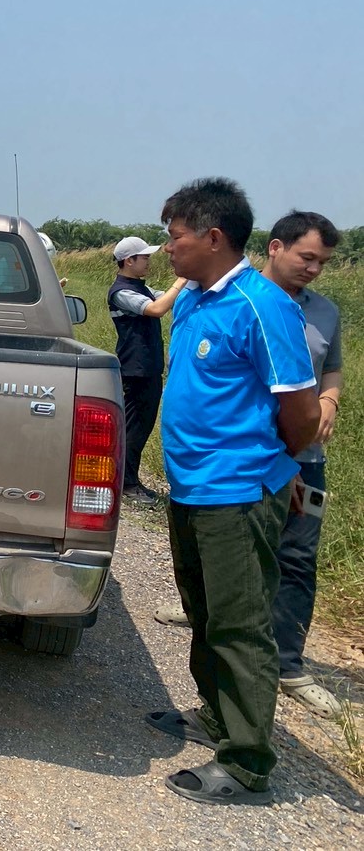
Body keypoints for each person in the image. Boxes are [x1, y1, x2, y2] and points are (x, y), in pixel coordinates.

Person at [144, 177, 318, 806]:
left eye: (176, 236)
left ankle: (246, 762)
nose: (169, 248)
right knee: (204, 609)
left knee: (240, 624)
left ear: (213, 237)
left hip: (238, 492)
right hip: (191, 486)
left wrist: (277, 466)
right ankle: (217, 715)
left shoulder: (262, 306)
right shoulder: (193, 298)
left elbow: (301, 413)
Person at [261, 212, 344, 717]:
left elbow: (331, 368)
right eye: (306, 257)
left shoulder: (325, 311)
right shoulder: (244, 301)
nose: (313, 269)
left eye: (322, 263)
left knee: (297, 556)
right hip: (254, 456)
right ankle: (207, 622)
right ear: (276, 247)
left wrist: (329, 400)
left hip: (308, 458)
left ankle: (288, 664)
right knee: (238, 551)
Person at [107, 235, 186, 507]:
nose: (149, 261)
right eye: (145, 257)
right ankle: (127, 484)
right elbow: (157, 308)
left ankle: (129, 479)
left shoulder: (141, 287)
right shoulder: (121, 292)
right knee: (135, 428)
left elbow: (169, 298)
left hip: (147, 368)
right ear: (129, 261)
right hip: (135, 370)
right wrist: (182, 279)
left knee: (142, 425)